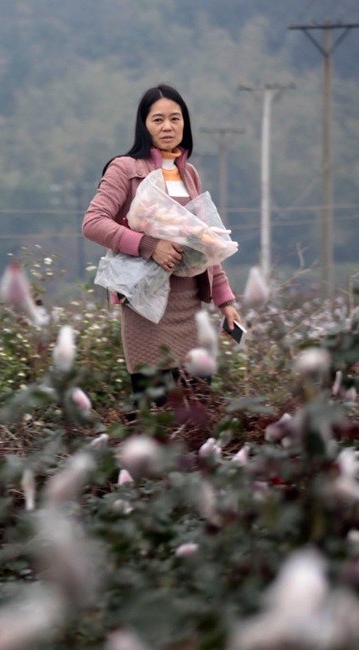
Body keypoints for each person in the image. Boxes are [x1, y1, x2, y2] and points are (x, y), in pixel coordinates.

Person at [82, 84, 243, 408]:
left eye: (175, 118)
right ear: (144, 125)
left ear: (185, 123)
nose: (167, 127)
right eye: (157, 120)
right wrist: (148, 245)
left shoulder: (189, 174)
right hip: (146, 307)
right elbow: (93, 222)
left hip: (189, 306)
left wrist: (225, 299)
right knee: (154, 410)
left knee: (197, 407)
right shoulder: (125, 169)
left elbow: (204, 239)